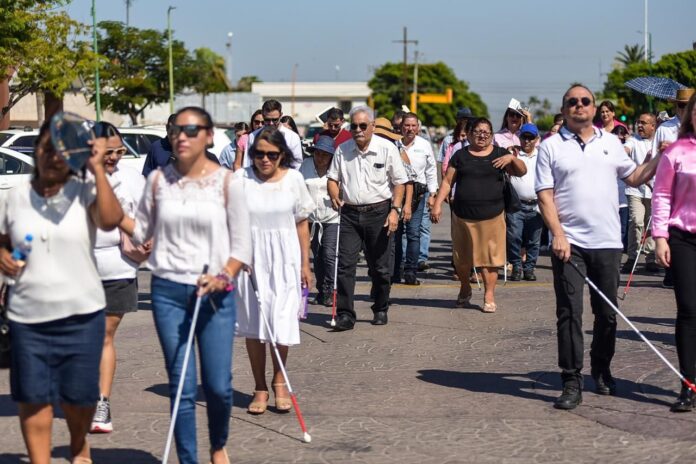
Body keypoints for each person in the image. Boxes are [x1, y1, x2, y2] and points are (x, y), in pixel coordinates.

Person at [127, 106, 252, 464]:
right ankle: (187, 459)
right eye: (175, 130)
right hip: (168, 292)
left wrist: (222, 275)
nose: (181, 136)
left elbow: (242, 245)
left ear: (209, 136)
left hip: (216, 292)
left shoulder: (229, 182)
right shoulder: (156, 181)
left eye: (191, 130)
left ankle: (217, 444)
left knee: (218, 386)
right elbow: (139, 230)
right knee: (181, 385)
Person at [0, 119, 124, 463]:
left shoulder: (84, 190)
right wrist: (3, 258)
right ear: (36, 152)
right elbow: (4, 241)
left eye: (60, 151)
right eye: (45, 148)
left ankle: (78, 443)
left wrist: (98, 168)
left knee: (80, 398)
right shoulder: (16, 197)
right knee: (33, 398)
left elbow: (111, 219)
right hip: (28, 316)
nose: (52, 157)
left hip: (82, 314)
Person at [536, 84, 662, 411]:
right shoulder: (550, 147)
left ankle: (602, 367)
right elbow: (545, 195)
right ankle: (571, 380)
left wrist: (661, 157)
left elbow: (634, 178)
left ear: (594, 109)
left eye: (585, 101)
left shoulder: (612, 144)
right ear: (564, 109)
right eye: (572, 102)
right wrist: (558, 235)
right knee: (569, 313)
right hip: (569, 244)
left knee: (607, 315)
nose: (579, 105)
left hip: (607, 243)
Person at [235, 127, 313, 415]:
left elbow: (301, 223)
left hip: (285, 259)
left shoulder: (294, 179)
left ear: (282, 155)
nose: (264, 160)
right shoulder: (239, 180)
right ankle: (259, 386)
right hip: (250, 261)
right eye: (258, 154)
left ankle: (279, 380)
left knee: (280, 321)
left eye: (271, 154)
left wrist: (305, 264)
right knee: (255, 325)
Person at [431, 117, 527, 312]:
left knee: (490, 260)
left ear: (492, 135)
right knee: (462, 260)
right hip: (463, 216)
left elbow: (521, 172)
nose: (482, 135)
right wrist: (437, 204)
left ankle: (489, 295)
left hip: (492, 215)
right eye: (478, 131)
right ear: (471, 133)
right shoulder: (460, 155)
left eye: (486, 132)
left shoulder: (500, 153)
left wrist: (512, 159)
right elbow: (448, 181)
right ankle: (465, 288)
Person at [327, 106, 408, 331]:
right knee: (344, 266)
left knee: (380, 268)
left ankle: (381, 307)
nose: (358, 130)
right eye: (354, 126)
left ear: (372, 126)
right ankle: (345, 314)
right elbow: (332, 178)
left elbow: (399, 182)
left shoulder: (387, 148)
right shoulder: (342, 150)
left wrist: (395, 210)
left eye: (363, 126)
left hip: (379, 213)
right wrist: (333, 191)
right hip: (350, 214)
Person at [90, 122, 147, 434]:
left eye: (118, 152)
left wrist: (147, 238)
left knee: (104, 335)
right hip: (79, 267)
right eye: (106, 152)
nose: (113, 158)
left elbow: (147, 219)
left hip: (118, 265)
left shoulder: (131, 178)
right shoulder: (76, 177)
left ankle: (101, 401)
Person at [653, 92, 696, 412]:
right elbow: (662, 195)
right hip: (683, 238)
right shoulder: (677, 152)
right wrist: (660, 237)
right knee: (689, 309)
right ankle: (689, 384)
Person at [651, 88, 695, 288]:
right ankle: (671, 272)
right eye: (681, 105)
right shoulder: (665, 129)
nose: (684, 109)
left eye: (688, 106)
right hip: (673, 197)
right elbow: (654, 161)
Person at [393, 112, 437, 285]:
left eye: (413, 126)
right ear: (401, 127)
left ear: (418, 128)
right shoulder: (394, 145)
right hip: (397, 194)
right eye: (406, 125)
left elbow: (431, 170)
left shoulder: (424, 145)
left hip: (418, 194)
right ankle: (395, 271)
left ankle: (411, 271)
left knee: (413, 234)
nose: (410, 129)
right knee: (395, 235)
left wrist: (432, 195)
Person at [300, 135, 340, 306]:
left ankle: (330, 290)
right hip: (311, 219)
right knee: (317, 256)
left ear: (331, 156)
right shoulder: (306, 165)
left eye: (325, 154)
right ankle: (322, 290)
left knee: (329, 255)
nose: (321, 157)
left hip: (332, 217)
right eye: (318, 153)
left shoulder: (336, 168)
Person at [506, 123, 543, 281]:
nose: (527, 141)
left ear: (537, 139)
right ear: (519, 138)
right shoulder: (513, 153)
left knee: (534, 240)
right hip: (516, 204)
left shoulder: (542, 155)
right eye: (524, 137)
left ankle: (529, 268)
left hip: (536, 204)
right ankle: (516, 266)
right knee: (514, 236)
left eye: (530, 138)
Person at [622, 113, 658, 273]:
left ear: (653, 126)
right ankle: (632, 257)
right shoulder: (633, 140)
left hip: (654, 190)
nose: (640, 126)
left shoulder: (658, 142)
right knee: (636, 221)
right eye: (638, 122)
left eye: (644, 123)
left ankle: (650, 258)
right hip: (635, 189)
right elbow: (625, 150)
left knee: (651, 224)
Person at [237, 100, 303, 170]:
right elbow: (247, 163)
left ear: (281, 115)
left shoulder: (292, 137)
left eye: (275, 120)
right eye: (267, 120)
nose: (271, 123)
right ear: (262, 115)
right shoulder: (253, 136)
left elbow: (297, 164)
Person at [612, 125, 631, 251]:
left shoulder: (628, 152)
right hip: (611, 198)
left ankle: (619, 249)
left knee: (623, 227)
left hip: (623, 199)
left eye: (620, 136)